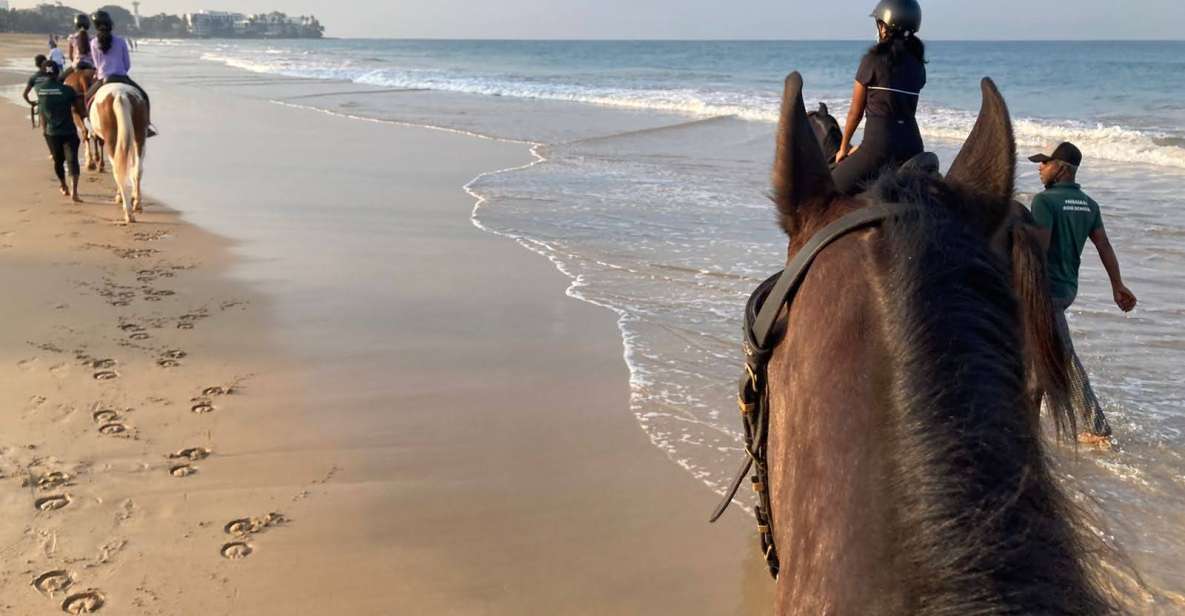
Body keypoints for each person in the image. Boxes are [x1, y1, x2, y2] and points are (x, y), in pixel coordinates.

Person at [1028, 142, 1137, 445]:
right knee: (1037, 353)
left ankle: (1098, 428)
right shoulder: (1089, 204)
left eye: (1045, 163)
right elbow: (1104, 246)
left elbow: (1038, 248)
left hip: (1043, 292)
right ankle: (1028, 422)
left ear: (1061, 168)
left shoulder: (1044, 202)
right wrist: (1118, 285)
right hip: (1067, 289)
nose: (1040, 168)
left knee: (1064, 358)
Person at [832, 0, 927, 195]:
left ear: (885, 26)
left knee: (827, 191)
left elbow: (855, 112)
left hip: (879, 146)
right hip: (913, 147)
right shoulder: (918, 66)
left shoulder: (872, 60)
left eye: (879, 23)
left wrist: (843, 148)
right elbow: (902, 109)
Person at [85, 10, 156, 136]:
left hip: (104, 79)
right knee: (144, 96)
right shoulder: (120, 41)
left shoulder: (94, 42)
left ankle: (92, 127)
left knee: (87, 99)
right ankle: (147, 125)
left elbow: (96, 64)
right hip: (122, 77)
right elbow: (127, 64)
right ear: (110, 24)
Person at [35, 62, 85, 203]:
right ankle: (75, 192)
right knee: (72, 160)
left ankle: (63, 185)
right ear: (58, 73)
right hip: (69, 130)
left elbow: (42, 112)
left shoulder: (40, 90)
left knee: (58, 161)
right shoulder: (68, 90)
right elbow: (78, 110)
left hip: (51, 132)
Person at [64, 13, 95, 80]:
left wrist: (74, 62)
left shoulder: (72, 37)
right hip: (90, 65)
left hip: (77, 64)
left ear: (76, 25)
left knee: (60, 79)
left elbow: (70, 56)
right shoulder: (93, 39)